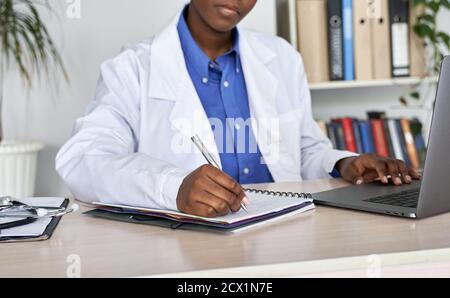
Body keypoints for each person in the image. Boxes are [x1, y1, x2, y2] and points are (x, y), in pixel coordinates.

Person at [56, 0, 420, 218]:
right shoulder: (132, 67)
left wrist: (345, 163)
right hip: (189, 241)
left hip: (285, 226)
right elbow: (84, 158)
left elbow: (303, 148)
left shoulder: (281, 57)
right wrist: (173, 187)